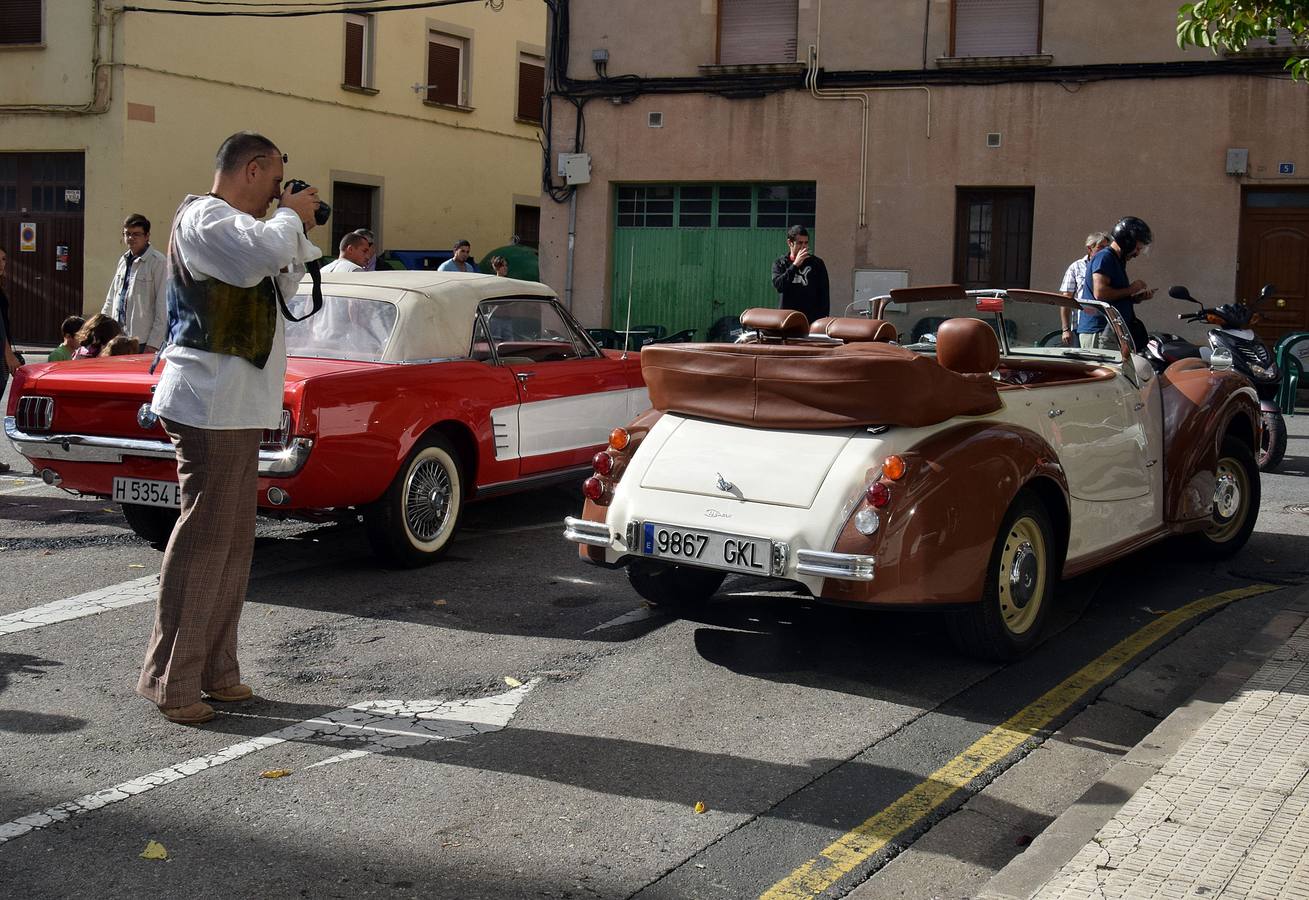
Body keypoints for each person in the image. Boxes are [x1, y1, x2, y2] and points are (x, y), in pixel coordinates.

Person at [138, 131, 321, 726]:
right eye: (274, 182)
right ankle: (172, 680)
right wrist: (290, 219)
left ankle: (217, 670)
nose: (277, 195)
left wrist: (292, 229)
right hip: (208, 403)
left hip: (236, 406)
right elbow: (255, 259)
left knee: (234, 545)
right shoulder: (204, 217)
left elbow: (282, 282)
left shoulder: (247, 229)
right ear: (253, 168)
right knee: (205, 541)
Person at [1075, 217, 1154, 351]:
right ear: (1127, 242)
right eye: (1137, 248)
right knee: (1105, 371)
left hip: (1110, 331)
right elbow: (1100, 294)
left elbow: (1113, 298)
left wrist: (1134, 299)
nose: (1137, 253)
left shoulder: (1116, 260)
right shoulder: (1105, 257)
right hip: (1099, 332)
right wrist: (1132, 288)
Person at [100, 214, 169, 353]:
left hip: (141, 342)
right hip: (117, 340)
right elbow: (112, 298)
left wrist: (153, 344)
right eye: (127, 234)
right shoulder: (123, 260)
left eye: (136, 234)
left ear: (147, 236)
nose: (131, 238)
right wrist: (101, 330)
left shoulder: (158, 263)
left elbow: (163, 307)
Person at [1058, 232, 1109, 346]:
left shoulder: (1108, 267)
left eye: (1107, 248)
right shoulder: (1076, 267)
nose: (1104, 251)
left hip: (1104, 326)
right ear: (1089, 248)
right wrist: (1066, 330)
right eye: (1101, 247)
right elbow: (1065, 299)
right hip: (1080, 326)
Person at [771, 225, 830, 323]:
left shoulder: (817, 264)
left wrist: (822, 319)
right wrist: (795, 265)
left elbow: (824, 294)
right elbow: (779, 286)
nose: (804, 247)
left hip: (810, 320)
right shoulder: (780, 263)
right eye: (800, 243)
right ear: (790, 243)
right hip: (786, 319)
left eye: (806, 243)